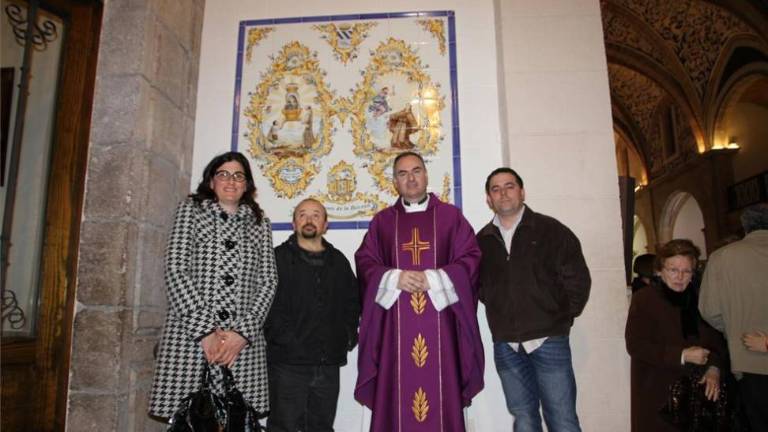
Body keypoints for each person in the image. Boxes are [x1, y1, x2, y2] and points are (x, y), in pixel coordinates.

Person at [355, 152, 484, 431]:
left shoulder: (451, 217)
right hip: (395, 331)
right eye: (403, 173)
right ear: (394, 182)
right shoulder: (383, 222)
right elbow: (365, 263)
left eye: (416, 171)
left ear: (426, 175)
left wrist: (435, 280)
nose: (411, 178)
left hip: (441, 329)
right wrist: (394, 278)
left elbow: (471, 259)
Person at [149, 151, 278, 421]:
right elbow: (176, 269)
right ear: (211, 181)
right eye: (223, 174)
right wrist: (205, 331)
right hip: (191, 340)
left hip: (241, 348)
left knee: (237, 421)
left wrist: (243, 333)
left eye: (238, 176)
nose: (231, 181)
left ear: (247, 185)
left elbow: (268, 282)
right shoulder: (190, 211)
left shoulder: (260, 223)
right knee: (192, 421)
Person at [476, 167, 590, 432]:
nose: (503, 193)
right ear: (488, 199)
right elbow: (480, 287)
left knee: (562, 419)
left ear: (522, 191)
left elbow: (578, 280)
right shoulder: (481, 241)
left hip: (548, 340)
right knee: (524, 419)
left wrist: (558, 317)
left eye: (509, 186)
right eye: (496, 189)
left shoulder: (551, 230)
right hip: (506, 345)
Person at [265, 198, 360, 432]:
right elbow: (266, 306)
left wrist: (347, 336)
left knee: (321, 427)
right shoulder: (276, 259)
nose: (309, 220)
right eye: (302, 215)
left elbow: (353, 303)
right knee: (282, 426)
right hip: (287, 364)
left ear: (326, 225)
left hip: (327, 366)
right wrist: (285, 339)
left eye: (316, 215)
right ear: (294, 224)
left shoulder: (339, 262)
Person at [626, 239, 726, 432]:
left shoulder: (701, 298)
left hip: (698, 394)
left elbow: (717, 340)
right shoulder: (645, 300)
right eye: (673, 270)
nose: (680, 277)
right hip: (659, 391)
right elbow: (636, 345)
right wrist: (682, 355)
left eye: (686, 271)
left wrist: (714, 367)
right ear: (660, 271)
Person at [699, 203, 768, 431]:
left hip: (750, 361)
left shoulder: (722, 257)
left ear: (745, 226)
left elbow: (710, 310)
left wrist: (734, 328)